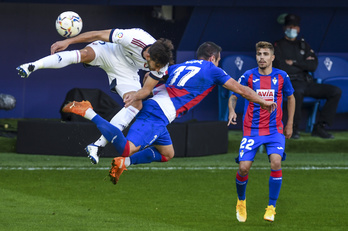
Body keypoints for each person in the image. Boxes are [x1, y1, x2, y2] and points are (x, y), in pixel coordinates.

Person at [61, 41, 277, 185]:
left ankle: (123, 164)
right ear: (213, 58)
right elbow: (242, 89)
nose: (219, 64)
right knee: (127, 148)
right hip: (158, 113)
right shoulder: (212, 69)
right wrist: (263, 101)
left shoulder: (180, 66)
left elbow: (152, 76)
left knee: (167, 154)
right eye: (219, 61)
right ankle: (89, 111)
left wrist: (145, 92)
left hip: (160, 112)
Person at [17, 28, 174, 163]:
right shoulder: (133, 37)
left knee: (137, 104)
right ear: (147, 55)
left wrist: (135, 96)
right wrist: (68, 42)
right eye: (155, 65)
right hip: (109, 51)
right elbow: (98, 34)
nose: (157, 69)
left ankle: (97, 145)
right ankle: (32, 66)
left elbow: (146, 90)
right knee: (84, 54)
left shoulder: (161, 62)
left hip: (125, 71)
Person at [228, 41, 295, 222]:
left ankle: (271, 207)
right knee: (243, 168)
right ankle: (241, 201)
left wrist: (289, 124)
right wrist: (232, 110)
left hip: (275, 130)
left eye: (266, 54)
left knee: (275, 162)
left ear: (272, 57)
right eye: (259, 54)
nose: (262, 57)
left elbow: (291, 97)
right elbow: (234, 94)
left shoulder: (281, 76)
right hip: (252, 129)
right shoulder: (248, 76)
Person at [273, 13, 341, 139]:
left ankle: (320, 127)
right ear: (284, 28)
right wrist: (302, 65)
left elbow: (313, 65)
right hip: (290, 82)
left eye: (294, 26)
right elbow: (282, 67)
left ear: (298, 29)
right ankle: (294, 128)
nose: (292, 29)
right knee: (296, 92)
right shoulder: (278, 45)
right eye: (289, 26)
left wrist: (294, 62)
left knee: (335, 91)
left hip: (306, 82)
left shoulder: (303, 45)